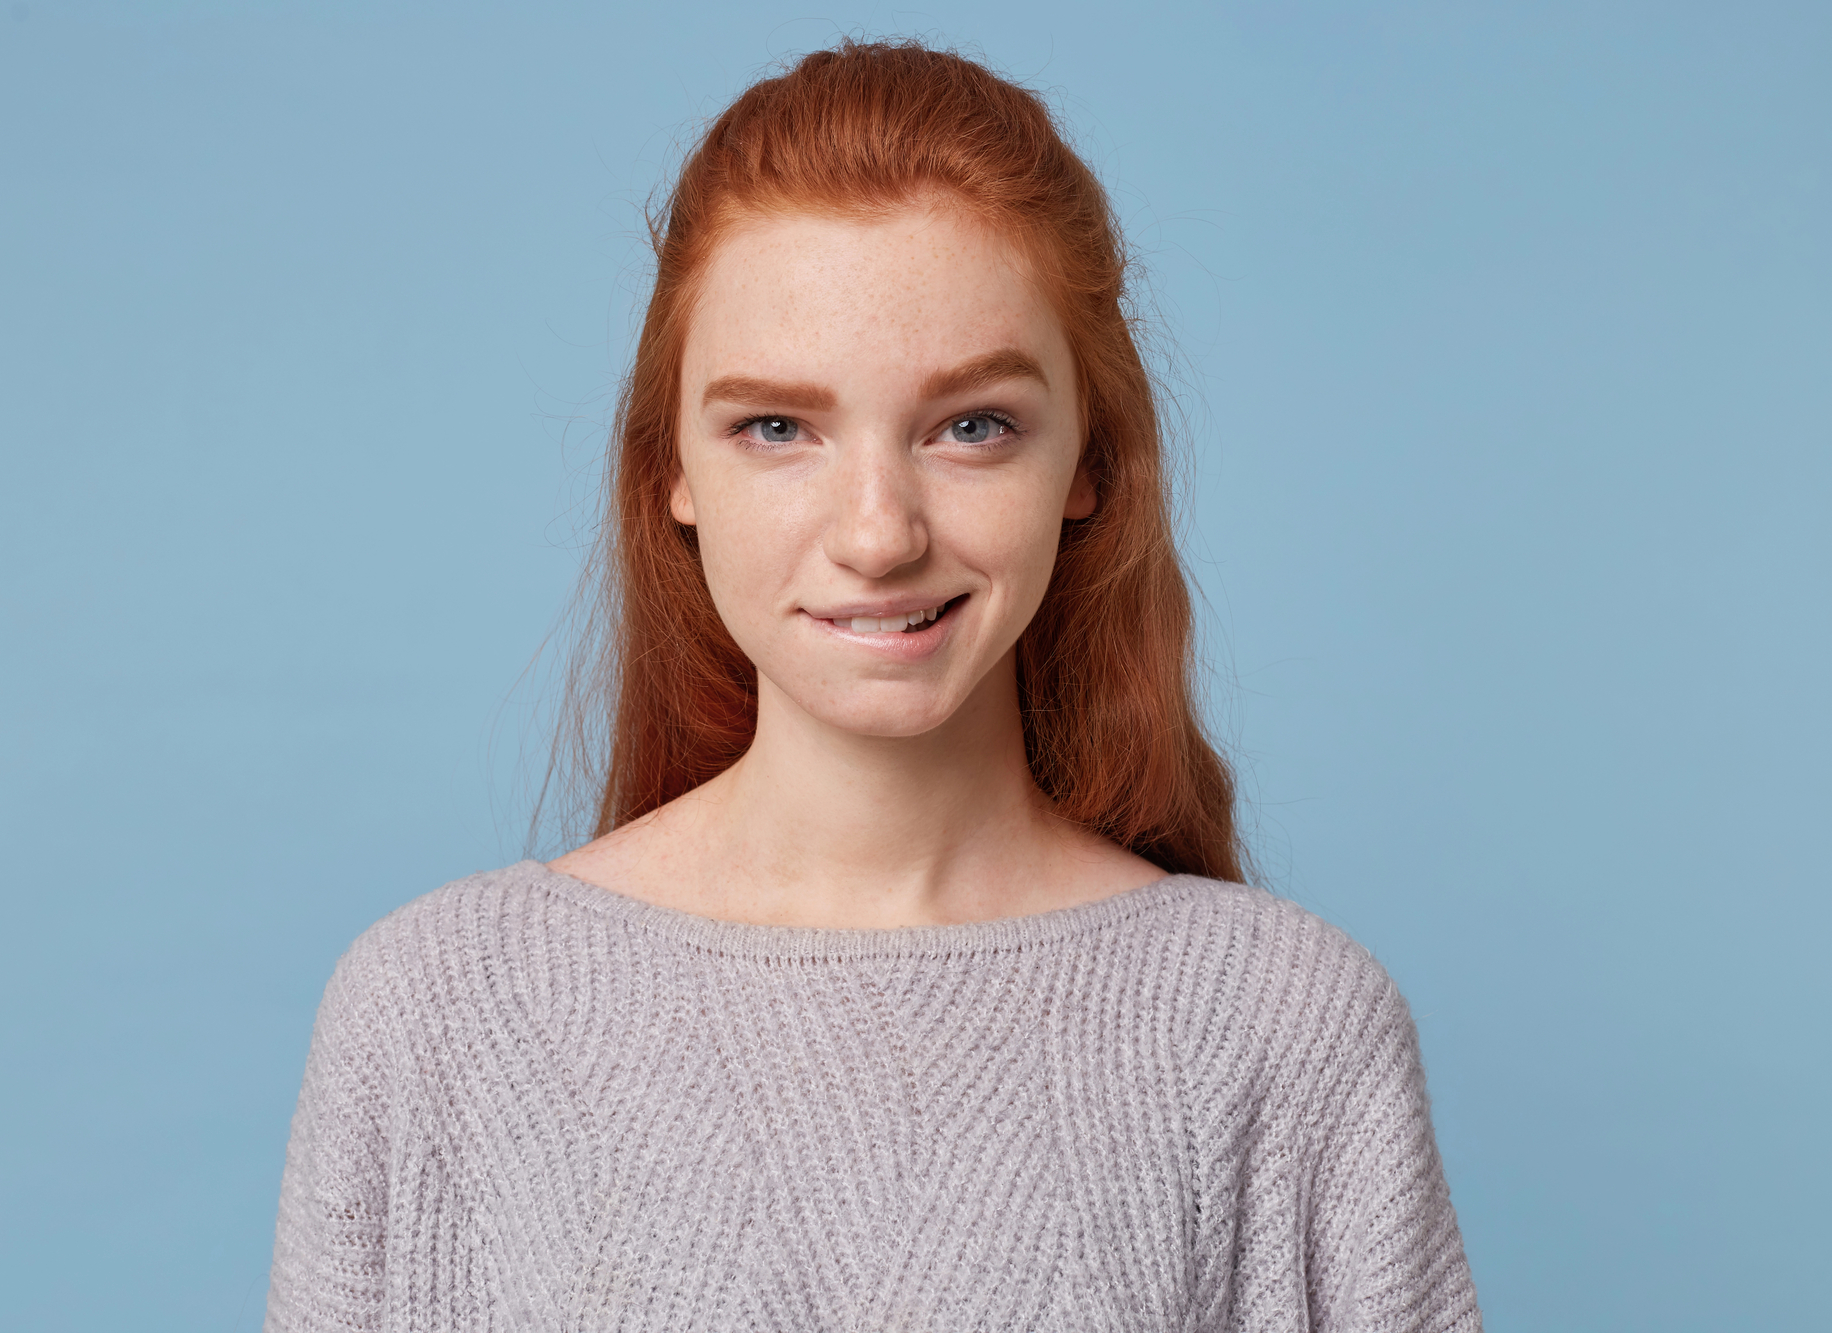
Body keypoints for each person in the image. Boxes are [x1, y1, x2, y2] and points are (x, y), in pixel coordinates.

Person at [263, 40, 1482, 1332]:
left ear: (1087, 460)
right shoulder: (433, 1019)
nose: (877, 531)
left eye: (973, 425)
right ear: (670, 469)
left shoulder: (1289, 1035)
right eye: (776, 428)